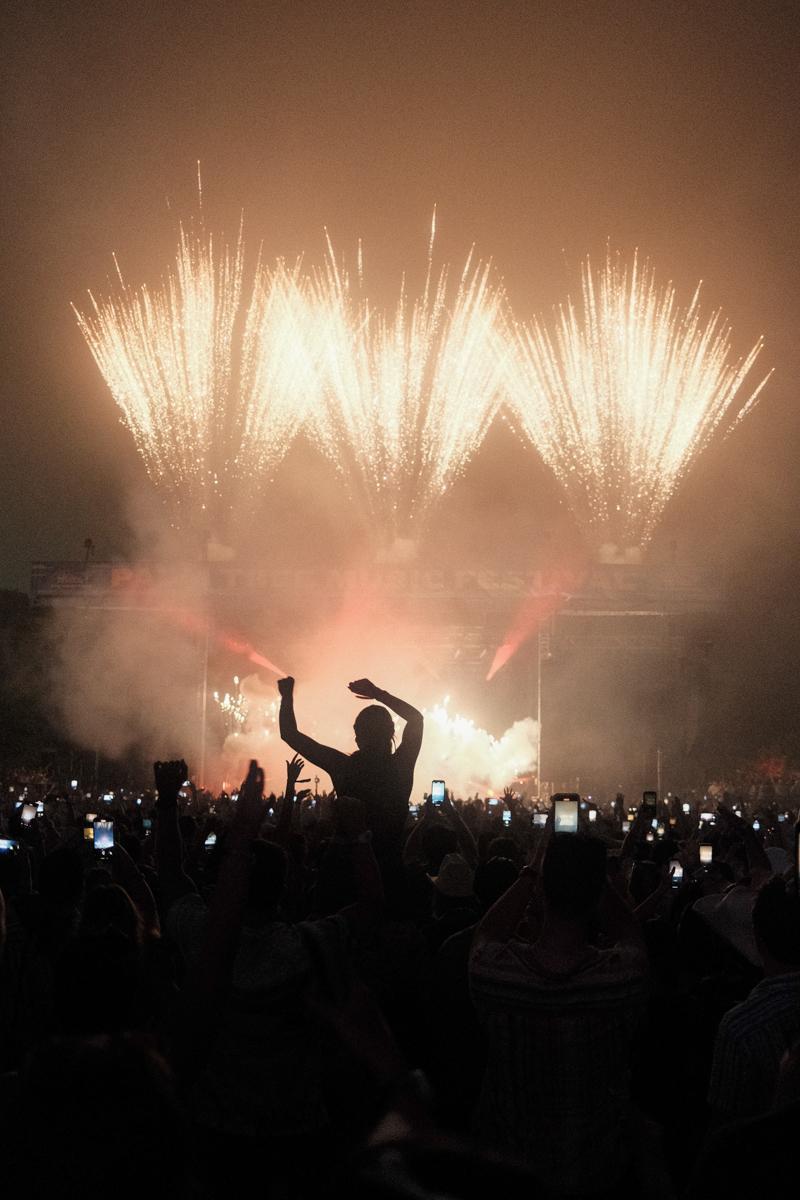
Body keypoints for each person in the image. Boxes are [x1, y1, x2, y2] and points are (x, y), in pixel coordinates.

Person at [469, 832, 649, 1197]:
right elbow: (631, 932)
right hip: (598, 1174)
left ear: (542, 892)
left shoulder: (498, 975)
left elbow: (486, 933)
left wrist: (530, 873)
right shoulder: (619, 979)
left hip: (515, 1175)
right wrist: (596, 882)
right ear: (597, 894)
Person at [278, 676, 423, 866]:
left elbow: (290, 734)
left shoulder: (343, 767)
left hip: (348, 872)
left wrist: (286, 696)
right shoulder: (401, 766)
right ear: (390, 733)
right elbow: (416, 719)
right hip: (391, 870)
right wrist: (378, 694)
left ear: (360, 737)